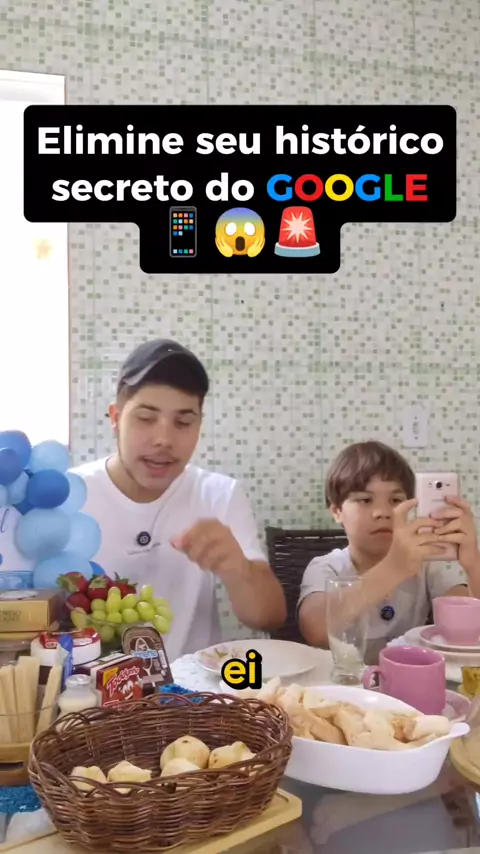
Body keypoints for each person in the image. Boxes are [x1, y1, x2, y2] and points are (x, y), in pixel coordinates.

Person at [72, 338, 286, 660]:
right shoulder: (71, 497)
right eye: (146, 418)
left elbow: (270, 617)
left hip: (194, 688)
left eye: (184, 422)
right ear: (115, 418)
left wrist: (238, 569)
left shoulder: (220, 495)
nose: (164, 439)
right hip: (92, 688)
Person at [298, 440, 480, 657]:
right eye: (365, 500)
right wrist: (394, 568)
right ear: (337, 511)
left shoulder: (426, 566)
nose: (383, 512)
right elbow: (315, 628)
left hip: (407, 676)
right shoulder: (327, 567)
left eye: (395, 500)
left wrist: (473, 565)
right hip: (343, 677)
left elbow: (470, 621)